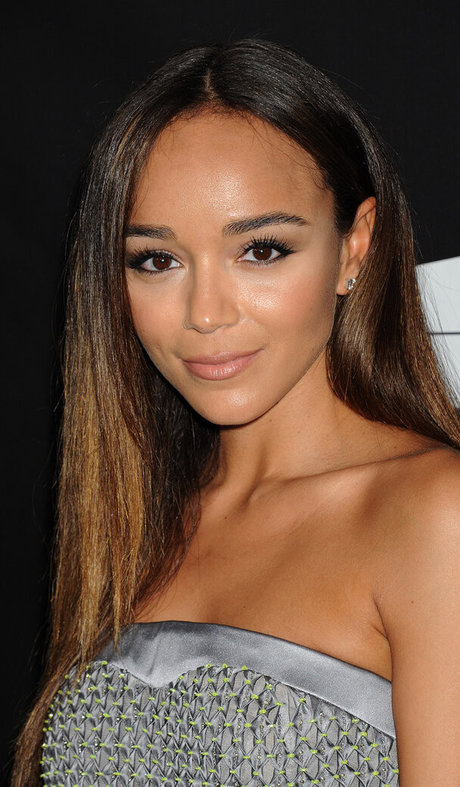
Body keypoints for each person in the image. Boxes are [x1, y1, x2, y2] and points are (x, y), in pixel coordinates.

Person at [13, 39, 460, 787]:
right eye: (157, 260)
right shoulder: (130, 521)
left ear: (355, 247)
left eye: (261, 250)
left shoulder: (434, 516)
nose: (206, 313)